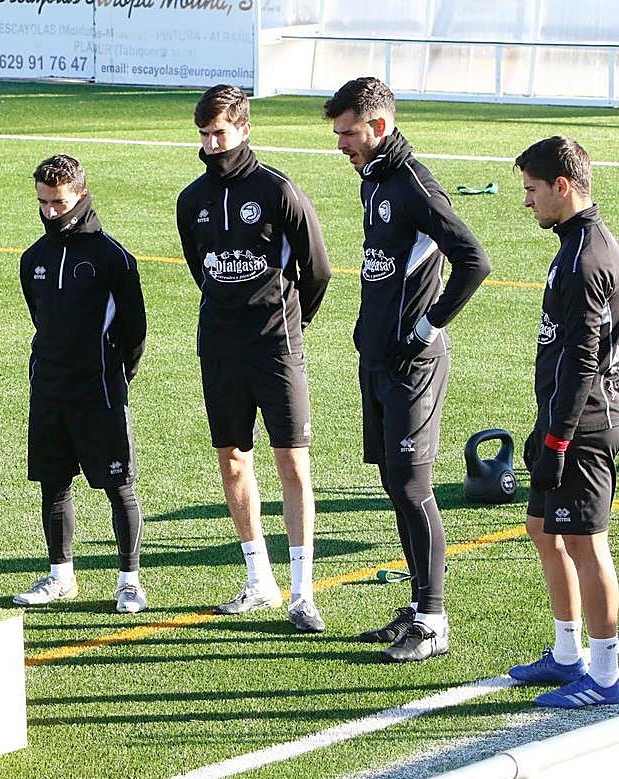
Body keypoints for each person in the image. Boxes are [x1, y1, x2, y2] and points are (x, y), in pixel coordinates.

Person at [323, 77, 490, 662]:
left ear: (379, 127)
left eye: (348, 134)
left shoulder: (414, 184)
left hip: (413, 364)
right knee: (395, 483)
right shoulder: (375, 182)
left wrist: (425, 328)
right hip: (379, 360)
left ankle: (435, 620)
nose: (341, 144)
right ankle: (417, 609)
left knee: (415, 486)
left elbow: (474, 260)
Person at [176, 85, 332, 633]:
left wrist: (290, 321)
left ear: (243, 129)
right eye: (203, 135)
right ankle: (259, 579)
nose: (210, 144)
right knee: (232, 459)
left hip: (277, 345)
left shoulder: (278, 191)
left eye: (219, 133)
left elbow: (317, 272)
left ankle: (302, 592)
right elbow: (202, 268)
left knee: (292, 462)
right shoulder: (191, 200)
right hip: (219, 345)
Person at [508, 136, 619, 707]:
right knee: (543, 529)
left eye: (531, 190)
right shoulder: (574, 243)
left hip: (582, 423)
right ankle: (568, 653)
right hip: (561, 415)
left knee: (584, 543)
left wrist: (557, 438)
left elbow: (582, 359)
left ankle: (606, 676)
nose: (526, 202)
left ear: (562, 186)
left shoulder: (585, 255)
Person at [12, 155, 149, 613]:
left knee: (119, 486)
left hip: (101, 392)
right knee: (54, 484)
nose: (51, 211)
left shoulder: (113, 258)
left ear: (81, 196)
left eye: (59, 202)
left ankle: (128, 581)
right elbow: (41, 319)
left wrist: (114, 374)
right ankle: (60, 576)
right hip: (49, 389)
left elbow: (135, 332)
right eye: (44, 202)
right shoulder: (32, 258)